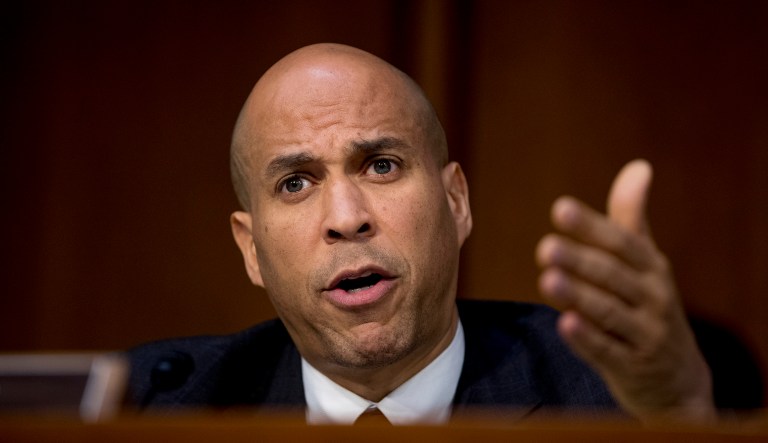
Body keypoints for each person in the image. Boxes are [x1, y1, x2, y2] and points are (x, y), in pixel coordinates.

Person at [128, 43, 716, 424]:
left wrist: (679, 415)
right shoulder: (153, 408)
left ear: (456, 202)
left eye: (381, 165)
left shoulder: (607, 395)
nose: (345, 216)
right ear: (251, 249)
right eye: (296, 183)